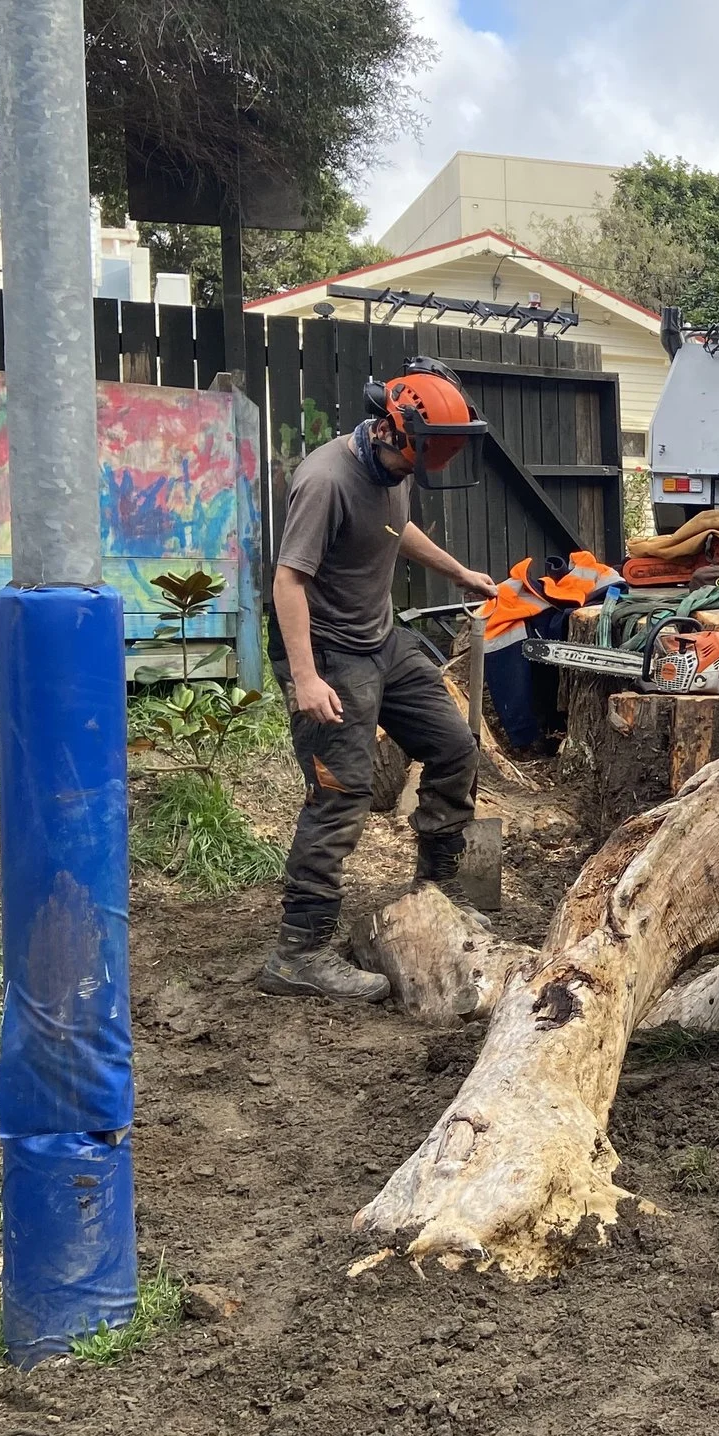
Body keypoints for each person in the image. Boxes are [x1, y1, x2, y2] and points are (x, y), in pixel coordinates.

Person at [259, 360, 502, 1001]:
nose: (430, 464)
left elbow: (399, 528)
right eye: (424, 452)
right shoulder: (325, 481)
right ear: (395, 430)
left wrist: (458, 572)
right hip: (328, 652)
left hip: (380, 641)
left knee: (454, 747)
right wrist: (306, 678)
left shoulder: (395, 467)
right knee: (342, 794)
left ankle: (435, 891)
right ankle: (298, 955)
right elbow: (289, 580)